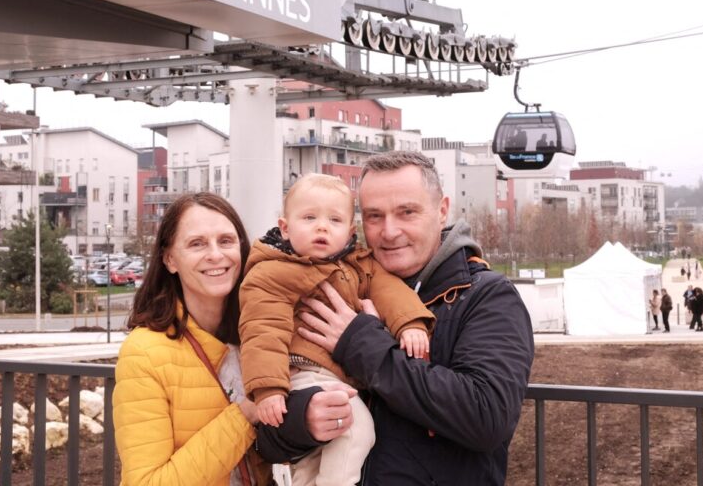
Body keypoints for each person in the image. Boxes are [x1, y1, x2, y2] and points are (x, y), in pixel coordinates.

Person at [256, 151, 535, 484]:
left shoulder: (486, 296)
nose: (389, 231)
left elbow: (486, 417)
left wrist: (362, 343)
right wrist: (303, 420)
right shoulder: (330, 286)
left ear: (442, 210)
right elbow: (264, 441)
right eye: (375, 216)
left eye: (407, 212)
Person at [238, 174, 435, 486]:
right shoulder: (272, 272)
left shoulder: (358, 265)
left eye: (334, 220)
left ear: (350, 233)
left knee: (314, 460)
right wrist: (268, 388)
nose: (322, 227)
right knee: (354, 428)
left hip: (335, 375)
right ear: (285, 228)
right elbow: (262, 330)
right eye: (309, 218)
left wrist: (410, 323)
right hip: (303, 372)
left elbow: (390, 292)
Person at [113, 192, 270, 486]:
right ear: (170, 259)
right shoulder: (144, 353)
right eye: (197, 243)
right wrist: (244, 416)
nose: (215, 254)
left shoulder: (262, 333)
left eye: (226, 241)